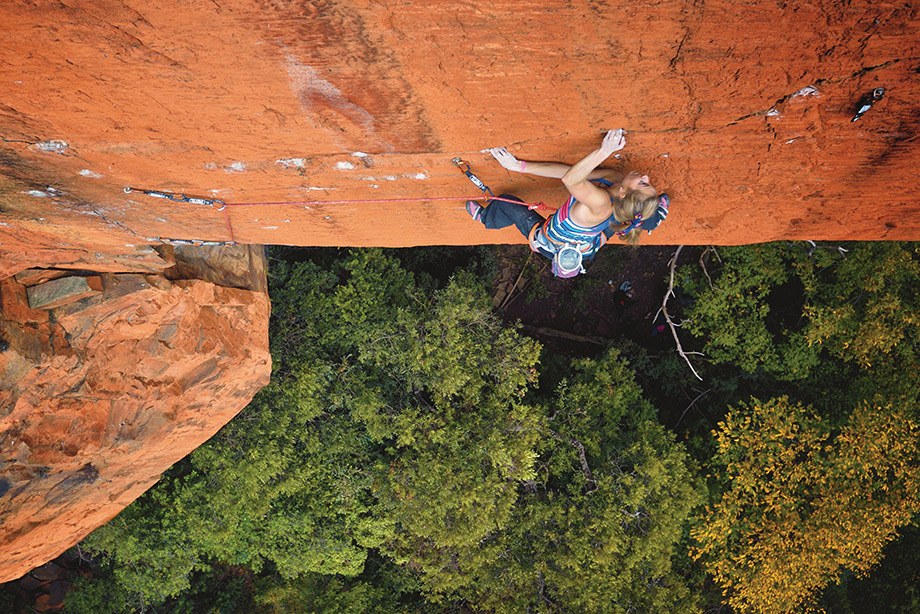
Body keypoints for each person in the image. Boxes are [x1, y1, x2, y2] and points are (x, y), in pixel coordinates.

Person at [465, 129, 669, 277]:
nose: (646, 176)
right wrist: (520, 166)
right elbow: (571, 173)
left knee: (507, 203)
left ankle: (486, 218)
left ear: (623, 193)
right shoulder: (617, 181)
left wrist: (604, 151)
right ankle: (653, 218)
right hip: (590, 244)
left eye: (643, 183)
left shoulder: (600, 203)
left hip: (550, 241)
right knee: (625, 219)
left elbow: (571, 179)